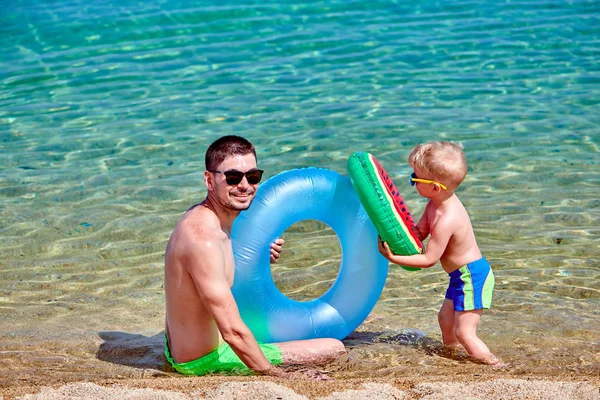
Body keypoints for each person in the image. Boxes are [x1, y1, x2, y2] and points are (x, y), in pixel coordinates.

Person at [164, 135, 346, 378]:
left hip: (179, 347)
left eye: (252, 176)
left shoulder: (204, 218)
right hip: (202, 361)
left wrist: (257, 254)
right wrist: (277, 375)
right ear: (209, 179)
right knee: (335, 348)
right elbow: (233, 332)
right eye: (232, 177)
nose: (244, 186)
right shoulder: (203, 240)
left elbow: (214, 268)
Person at [377, 141, 503, 366]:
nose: (412, 182)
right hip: (460, 276)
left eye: (414, 179)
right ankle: (451, 356)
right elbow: (420, 232)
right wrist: (393, 229)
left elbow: (429, 259)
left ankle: (496, 365)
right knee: (445, 319)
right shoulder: (434, 205)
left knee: (465, 332)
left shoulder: (447, 219)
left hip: (472, 276)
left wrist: (392, 258)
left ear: (435, 187)